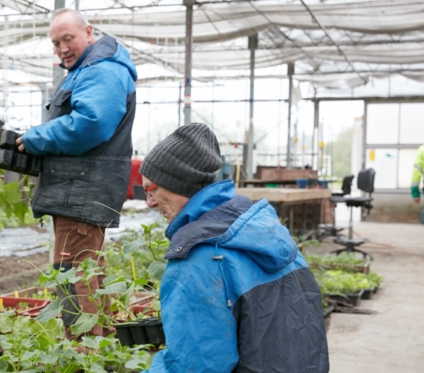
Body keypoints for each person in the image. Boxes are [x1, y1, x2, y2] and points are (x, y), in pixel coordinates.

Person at [139, 123, 329, 373]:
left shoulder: (198, 259)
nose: (149, 202)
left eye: (150, 189)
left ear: (178, 185)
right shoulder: (271, 233)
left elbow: (196, 367)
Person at [15, 8, 137, 338]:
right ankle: (104, 348)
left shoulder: (102, 71)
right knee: (88, 273)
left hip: (81, 192)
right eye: (55, 43)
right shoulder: (89, 70)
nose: (62, 48)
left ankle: (83, 354)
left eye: (68, 39)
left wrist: (35, 138)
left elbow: (91, 125)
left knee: (71, 276)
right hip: (81, 190)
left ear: (89, 32)